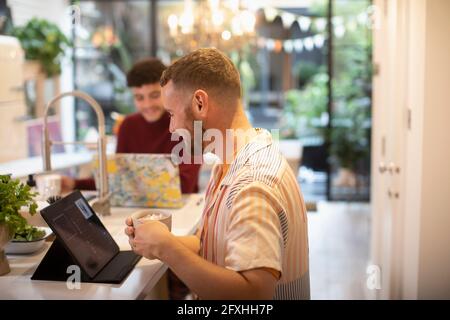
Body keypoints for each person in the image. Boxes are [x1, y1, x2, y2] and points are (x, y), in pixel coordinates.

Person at [125, 48, 310, 299]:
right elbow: (207, 242)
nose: (170, 128)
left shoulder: (252, 184)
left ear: (200, 103)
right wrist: (158, 242)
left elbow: (254, 295)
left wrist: (168, 248)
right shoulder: (229, 163)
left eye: (171, 114)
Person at [61, 58, 201, 194]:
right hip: (137, 209)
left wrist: (132, 182)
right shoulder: (127, 126)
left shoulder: (191, 126)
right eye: (139, 98)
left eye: (154, 95)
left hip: (183, 211)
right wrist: (74, 184)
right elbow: (117, 179)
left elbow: (185, 185)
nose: (147, 105)